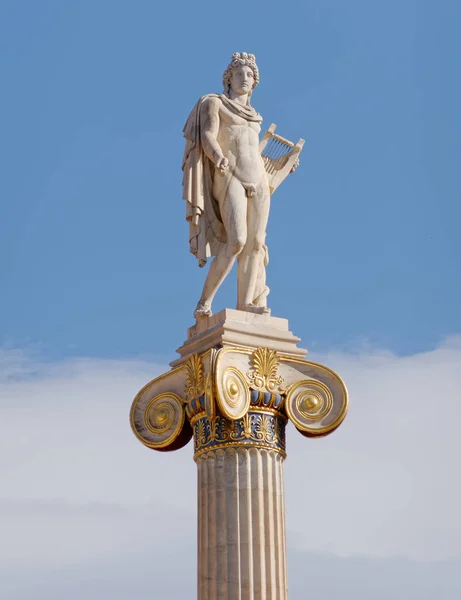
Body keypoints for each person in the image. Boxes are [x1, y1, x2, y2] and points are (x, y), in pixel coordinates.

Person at [182, 52, 272, 319]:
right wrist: (217, 156)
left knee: (255, 243)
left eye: (250, 75)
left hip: (258, 178)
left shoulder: (256, 117)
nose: (245, 79)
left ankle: (245, 304)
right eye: (240, 74)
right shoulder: (215, 103)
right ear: (228, 78)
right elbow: (208, 134)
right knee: (237, 241)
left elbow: (253, 150)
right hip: (229, 173)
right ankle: (204, 301)